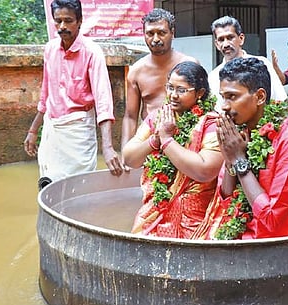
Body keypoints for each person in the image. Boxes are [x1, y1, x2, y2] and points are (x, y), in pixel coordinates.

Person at [193, 57, 288, 240]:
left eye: (232, 96)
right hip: (237, 240)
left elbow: (272, 218)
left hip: (275, 250)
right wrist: (229, 159)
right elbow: (226, 201)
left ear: (260, 97)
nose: (225, 106)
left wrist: (239, 161)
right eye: (223, 97)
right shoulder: (238, 134)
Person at [23, 0, 124, 190]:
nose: (62, 26)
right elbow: (46, 92)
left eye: (68, 20)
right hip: (53, 128)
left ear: (79, 21)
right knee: (48, 185)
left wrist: (108, 147)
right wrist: (33, 129)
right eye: (58, 21)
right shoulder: (50, 49)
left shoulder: (92, 53)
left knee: (79, 188)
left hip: (79, 131)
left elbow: (103, 102)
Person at [123, 61, 223, 239]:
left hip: (195, 217)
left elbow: (205, 170)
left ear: (200, 93)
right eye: (170, 88)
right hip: (155, 209)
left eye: (182, 90)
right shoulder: (159, 117)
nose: (173, 95)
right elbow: (129, 158)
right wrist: (155, 140)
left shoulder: (212, 124)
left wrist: (167, 141)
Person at [121, 8, 198, 150]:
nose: (156, 39)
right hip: (151, 142)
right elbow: (130, 116)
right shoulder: (136, 72)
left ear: (172, 33)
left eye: (161, 33)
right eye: (150, 33)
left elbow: (202, 106)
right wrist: (127, 151)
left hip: (187, 140)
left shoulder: (190, 65)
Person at [208, 16, 287, 112]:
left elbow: (280, 101)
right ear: (216, 44)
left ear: (241, 39)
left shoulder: (262, 64)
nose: (226, 44)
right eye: (221, 39)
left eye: (230, 37)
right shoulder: (213, 77)